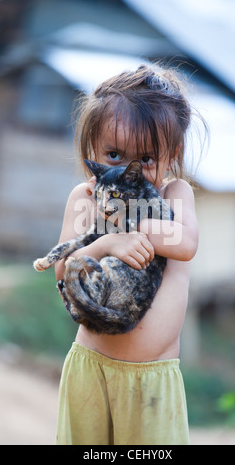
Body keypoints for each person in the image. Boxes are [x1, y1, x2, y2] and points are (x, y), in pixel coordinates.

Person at [54, 64, 201, 445]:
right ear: (93, 150)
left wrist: (123, 223)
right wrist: (105, 244)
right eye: (114, 154)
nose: (128, 170)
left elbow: (184, 244)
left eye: (146, 159)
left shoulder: (175, 195)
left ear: (174, 153)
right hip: (90, 369)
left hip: (152, 382)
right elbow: (62, 272)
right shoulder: (84, 199)